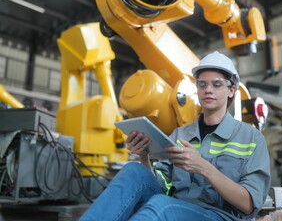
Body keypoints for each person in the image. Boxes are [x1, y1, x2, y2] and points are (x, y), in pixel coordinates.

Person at [80, 51, 271, 221]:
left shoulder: (250, 138)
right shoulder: (180, 134)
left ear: (231, 90)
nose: (208, 90)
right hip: (177, 209)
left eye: (217, 84)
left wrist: (203, 167)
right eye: (202, 84)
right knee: (134, 171)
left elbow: (248, 204)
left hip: (220, 216)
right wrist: (144, 157)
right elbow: (163, 187)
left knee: (162, 206)